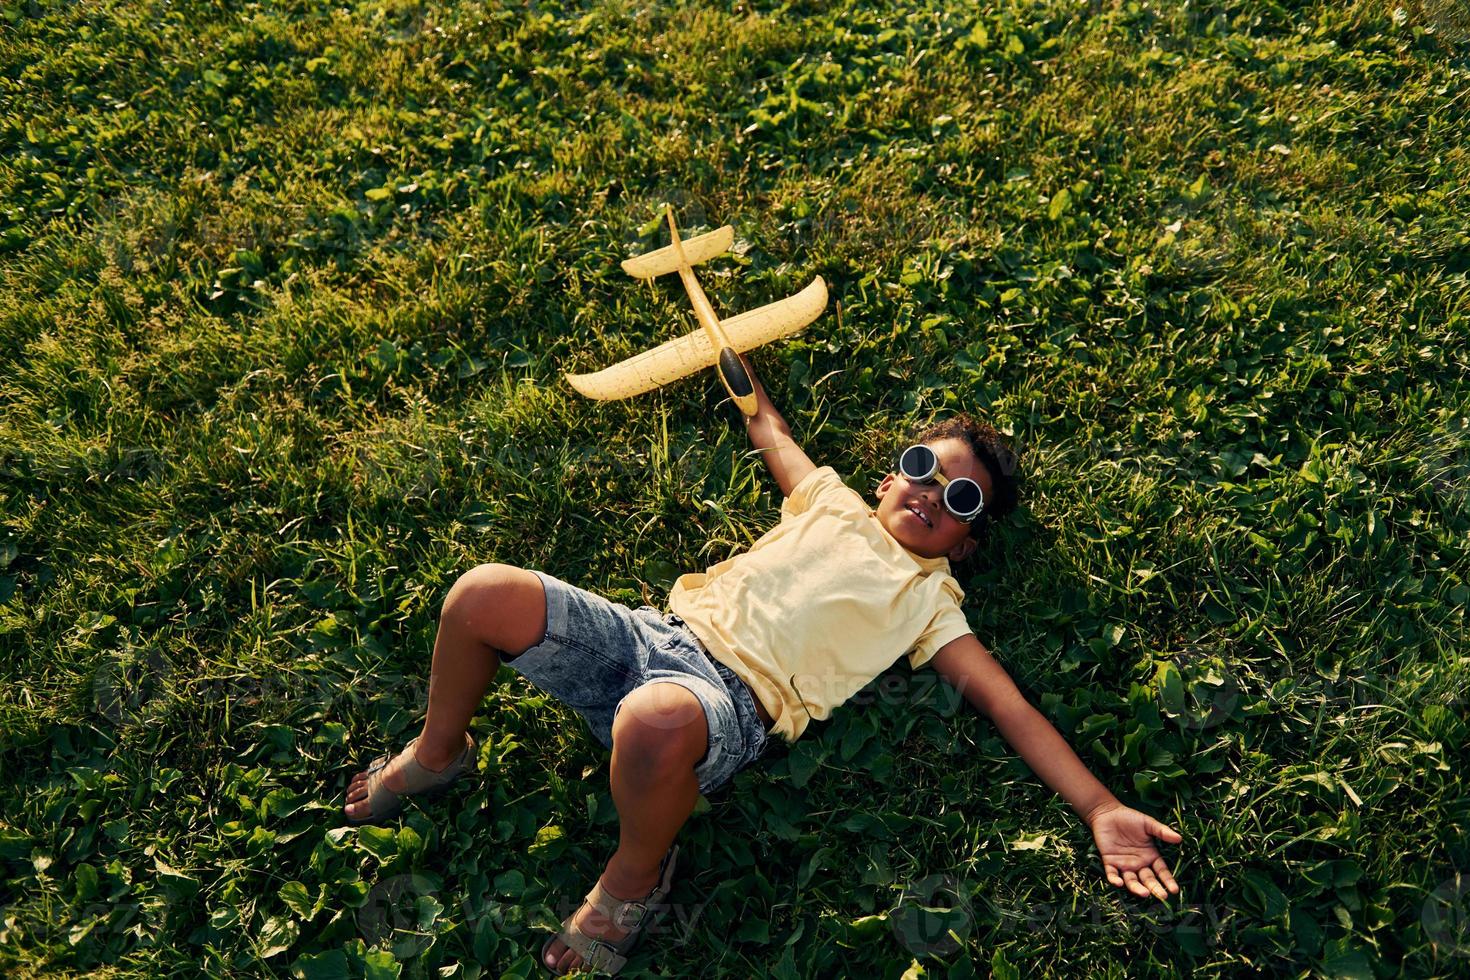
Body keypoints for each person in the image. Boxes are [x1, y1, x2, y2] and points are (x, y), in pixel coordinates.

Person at [342, 355, 1184, 976]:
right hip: (647, 637)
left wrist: (1101, 806)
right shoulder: (828, 500)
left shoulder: (928, 602)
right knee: (484, 593)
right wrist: (742, 378)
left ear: (965, 545)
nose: (932, 495)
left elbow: (1011, 708)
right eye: (925, 470)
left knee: (653, 721)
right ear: (891, 475)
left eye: (961, 501)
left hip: (726, 703)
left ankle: (637, 875)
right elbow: (772, 432)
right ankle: (439, 753)